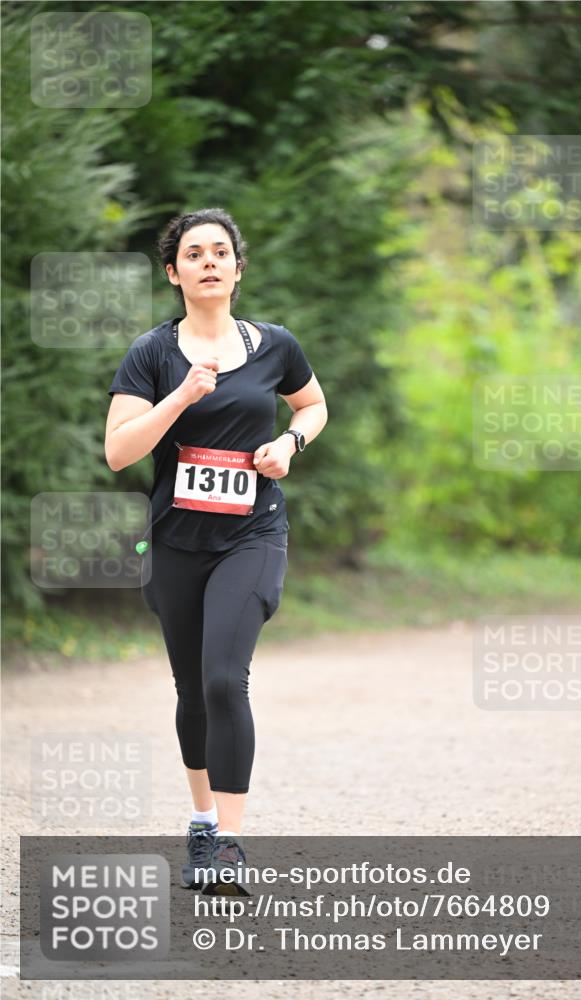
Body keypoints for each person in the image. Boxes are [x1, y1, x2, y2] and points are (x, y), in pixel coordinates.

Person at [105, 207, 327, 893]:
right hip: (176, 541)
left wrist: (289, 445)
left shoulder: (275, 346)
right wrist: (178, 397)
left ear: (236, 267)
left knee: (224, 679)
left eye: (219, 252)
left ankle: (228, 841)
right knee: (191, 690)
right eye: (192, 253)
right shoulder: (152, 354)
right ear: (173, 273)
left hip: (252, 533)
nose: (207, 261)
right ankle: (201, 821)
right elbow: (118, 452)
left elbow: (312, 405)